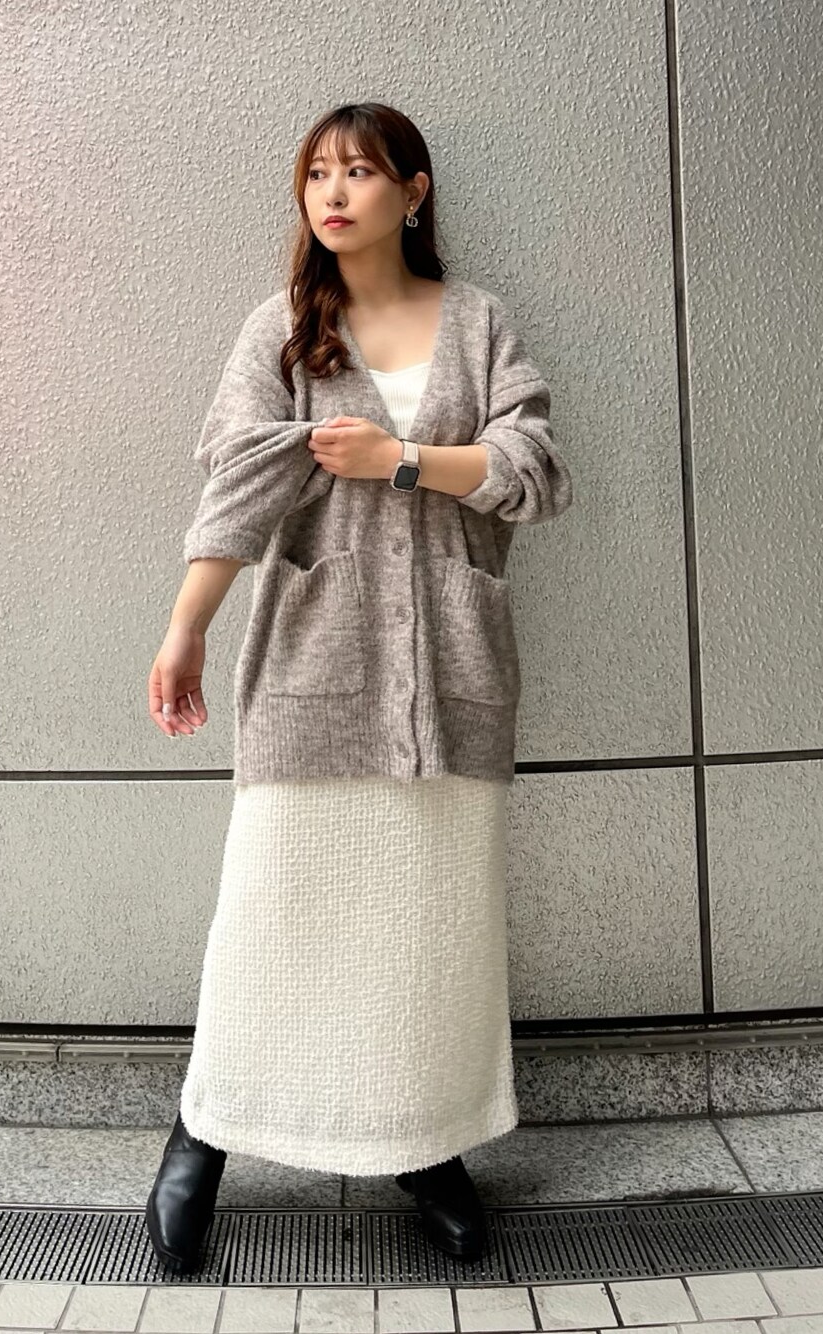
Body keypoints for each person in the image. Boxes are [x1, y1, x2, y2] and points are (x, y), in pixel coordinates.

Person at [144, 102, 574, 1274]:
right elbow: (237, 485)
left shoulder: (477, 322)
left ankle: (423, 1145)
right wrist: (186, 629)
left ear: (413, 191)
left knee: (426, 931)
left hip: (452, 673)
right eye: (317, 174)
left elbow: (535, 472)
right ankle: (202, 1132)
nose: (332, 193)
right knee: (269, 914)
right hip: (312, 667)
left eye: (360, 171)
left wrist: (402, 460)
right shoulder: (283, 329)